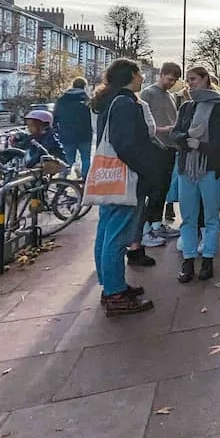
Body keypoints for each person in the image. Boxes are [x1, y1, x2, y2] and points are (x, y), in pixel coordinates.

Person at [90, 59, 160, 316]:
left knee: (107, 230)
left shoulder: (109, 101)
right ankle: (115, 294)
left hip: (110, 177)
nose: (142, 77)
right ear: (131, 75)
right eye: (139, 72)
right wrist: (147, 170)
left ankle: (110, 285)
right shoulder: (125, 103)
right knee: (118, 237)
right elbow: (127, 144)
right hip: (125, 177)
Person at [170, 65, 220, 283]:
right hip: (187, 167)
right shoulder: (186, 107)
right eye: (188, 80)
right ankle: (188, 259)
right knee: (187, 216)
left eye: (194, 79)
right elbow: (175, 132)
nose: (190, 83)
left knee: (210, 216)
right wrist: (185, 140)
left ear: (206, 79)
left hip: (211, 167)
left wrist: (202, 145)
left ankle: (208, 259)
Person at [139, 62, 182, 244]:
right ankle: (147, 229)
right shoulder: (148, 94)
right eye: (169, 79)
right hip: (156, 147)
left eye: (174, 80)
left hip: (170, 147)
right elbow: (144, 123)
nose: (171, 83)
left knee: (163, 188)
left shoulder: (171, 96)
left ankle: (157, 224)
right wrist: (166, 129)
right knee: (154, 189)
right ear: (162, 74)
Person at [54, 77, 93, 177]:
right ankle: (84, 181)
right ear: (84, 86)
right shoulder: (87, 100)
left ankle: (62, 181)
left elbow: (55, 117)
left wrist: (57, 131)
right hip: (85, 135)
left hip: (67, 135)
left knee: (67, 160)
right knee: (86, 159)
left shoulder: (62, 99)